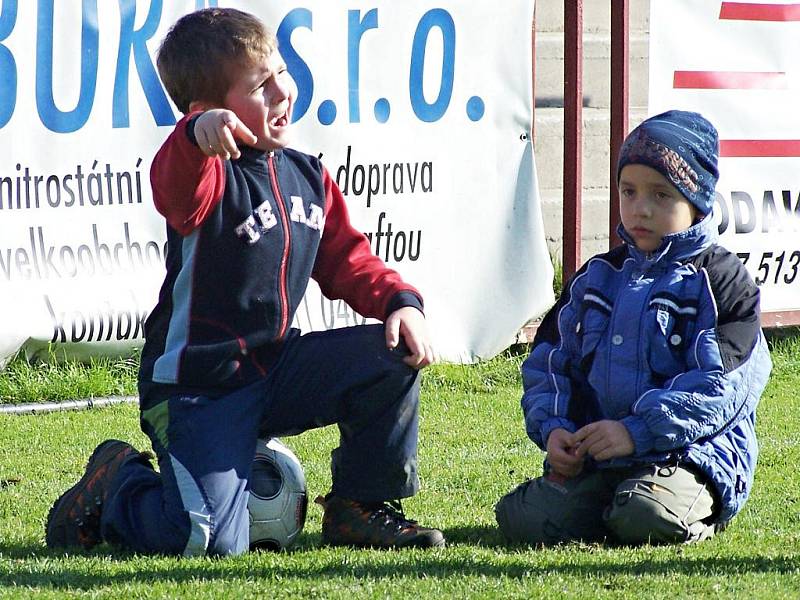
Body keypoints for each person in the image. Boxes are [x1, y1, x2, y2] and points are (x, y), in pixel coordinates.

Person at [45, 7, 444, 556]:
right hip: (197, 388)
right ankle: (118, 482)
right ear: (210, 111)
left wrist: (399, 302)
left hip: (277, 369)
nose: (282, 91)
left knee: (388, 355)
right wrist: (193, 135)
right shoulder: (206, 176)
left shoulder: (307, 174)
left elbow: (349, 260)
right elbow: (172, 187)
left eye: (281, 72)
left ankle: (359, 507)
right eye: (261, 85)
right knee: (202, 542)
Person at [495, 110, 772, 545]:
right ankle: (606, 502)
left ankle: (683, 508)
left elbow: (720, 388)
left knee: (644, 515)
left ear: (696, 201)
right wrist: (555, 428)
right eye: (629, 191)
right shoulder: (595, 277)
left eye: (662, 195)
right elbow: (549, 363)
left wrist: (636, 431)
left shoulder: (722, 282)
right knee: (522, 519)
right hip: (601, 459)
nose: (641, 208)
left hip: (690, 455)